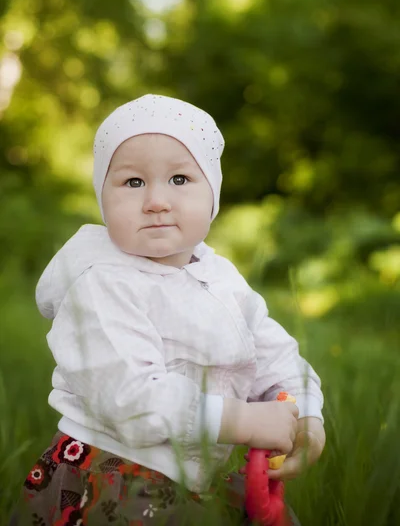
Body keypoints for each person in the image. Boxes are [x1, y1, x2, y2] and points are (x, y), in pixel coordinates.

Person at [11, 94, 325, 526]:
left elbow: (273, 352)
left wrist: (305, 414)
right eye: (134, 183)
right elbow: (130, 398)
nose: (156, 200)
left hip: (195, 477)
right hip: (117, 471)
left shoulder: (221, 278)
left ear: (212, 191)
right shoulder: (101, 282)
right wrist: (244, 420)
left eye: (179, 179)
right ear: (102, 197)